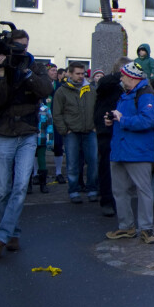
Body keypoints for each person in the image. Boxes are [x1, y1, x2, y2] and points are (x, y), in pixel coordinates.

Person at [0, 29, 54, 259]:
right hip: (2, 133)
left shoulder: (34, 66)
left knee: (21, 187)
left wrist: (26, 73)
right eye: (17, 46)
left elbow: (46, 90)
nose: (21, 50)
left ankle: (1, 236)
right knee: (3, 190)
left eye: (25, 46)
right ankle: (13, 232)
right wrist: (2, 72)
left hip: (27, 133)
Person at [104, 62, 154, 244]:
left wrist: (123, 119)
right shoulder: (128, 94)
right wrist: (112, 120)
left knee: (143, 190)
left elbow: (147, 121)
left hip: (137, 152)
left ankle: (146, 228)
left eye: (123, 76)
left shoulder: (147, 95)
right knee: (119, 190)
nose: (120, 79)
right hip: (121, 150)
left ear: (132, 77)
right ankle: (127, 226)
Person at [53, 61, 99, 204]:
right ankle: (73, 190)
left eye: (82, 73)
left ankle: (92, 189)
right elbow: (57, 113)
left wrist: (96, 126)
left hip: (89, 131)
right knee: (72, 163)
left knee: (93, 162)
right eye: (78, 73)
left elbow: (97, 108)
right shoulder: (62, 91)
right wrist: (64, 130)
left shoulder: (91, 90)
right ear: (70, 73)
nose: (81, 76)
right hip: (71, 132)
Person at [93, 57, 128, 217]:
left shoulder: (127, 87)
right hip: (106, 131)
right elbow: (102, 85)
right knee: (106, 166)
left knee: (121, 167)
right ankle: (106, 199)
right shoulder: (109, 82)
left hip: (122, 129)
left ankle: (118, 199)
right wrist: (120, 75)